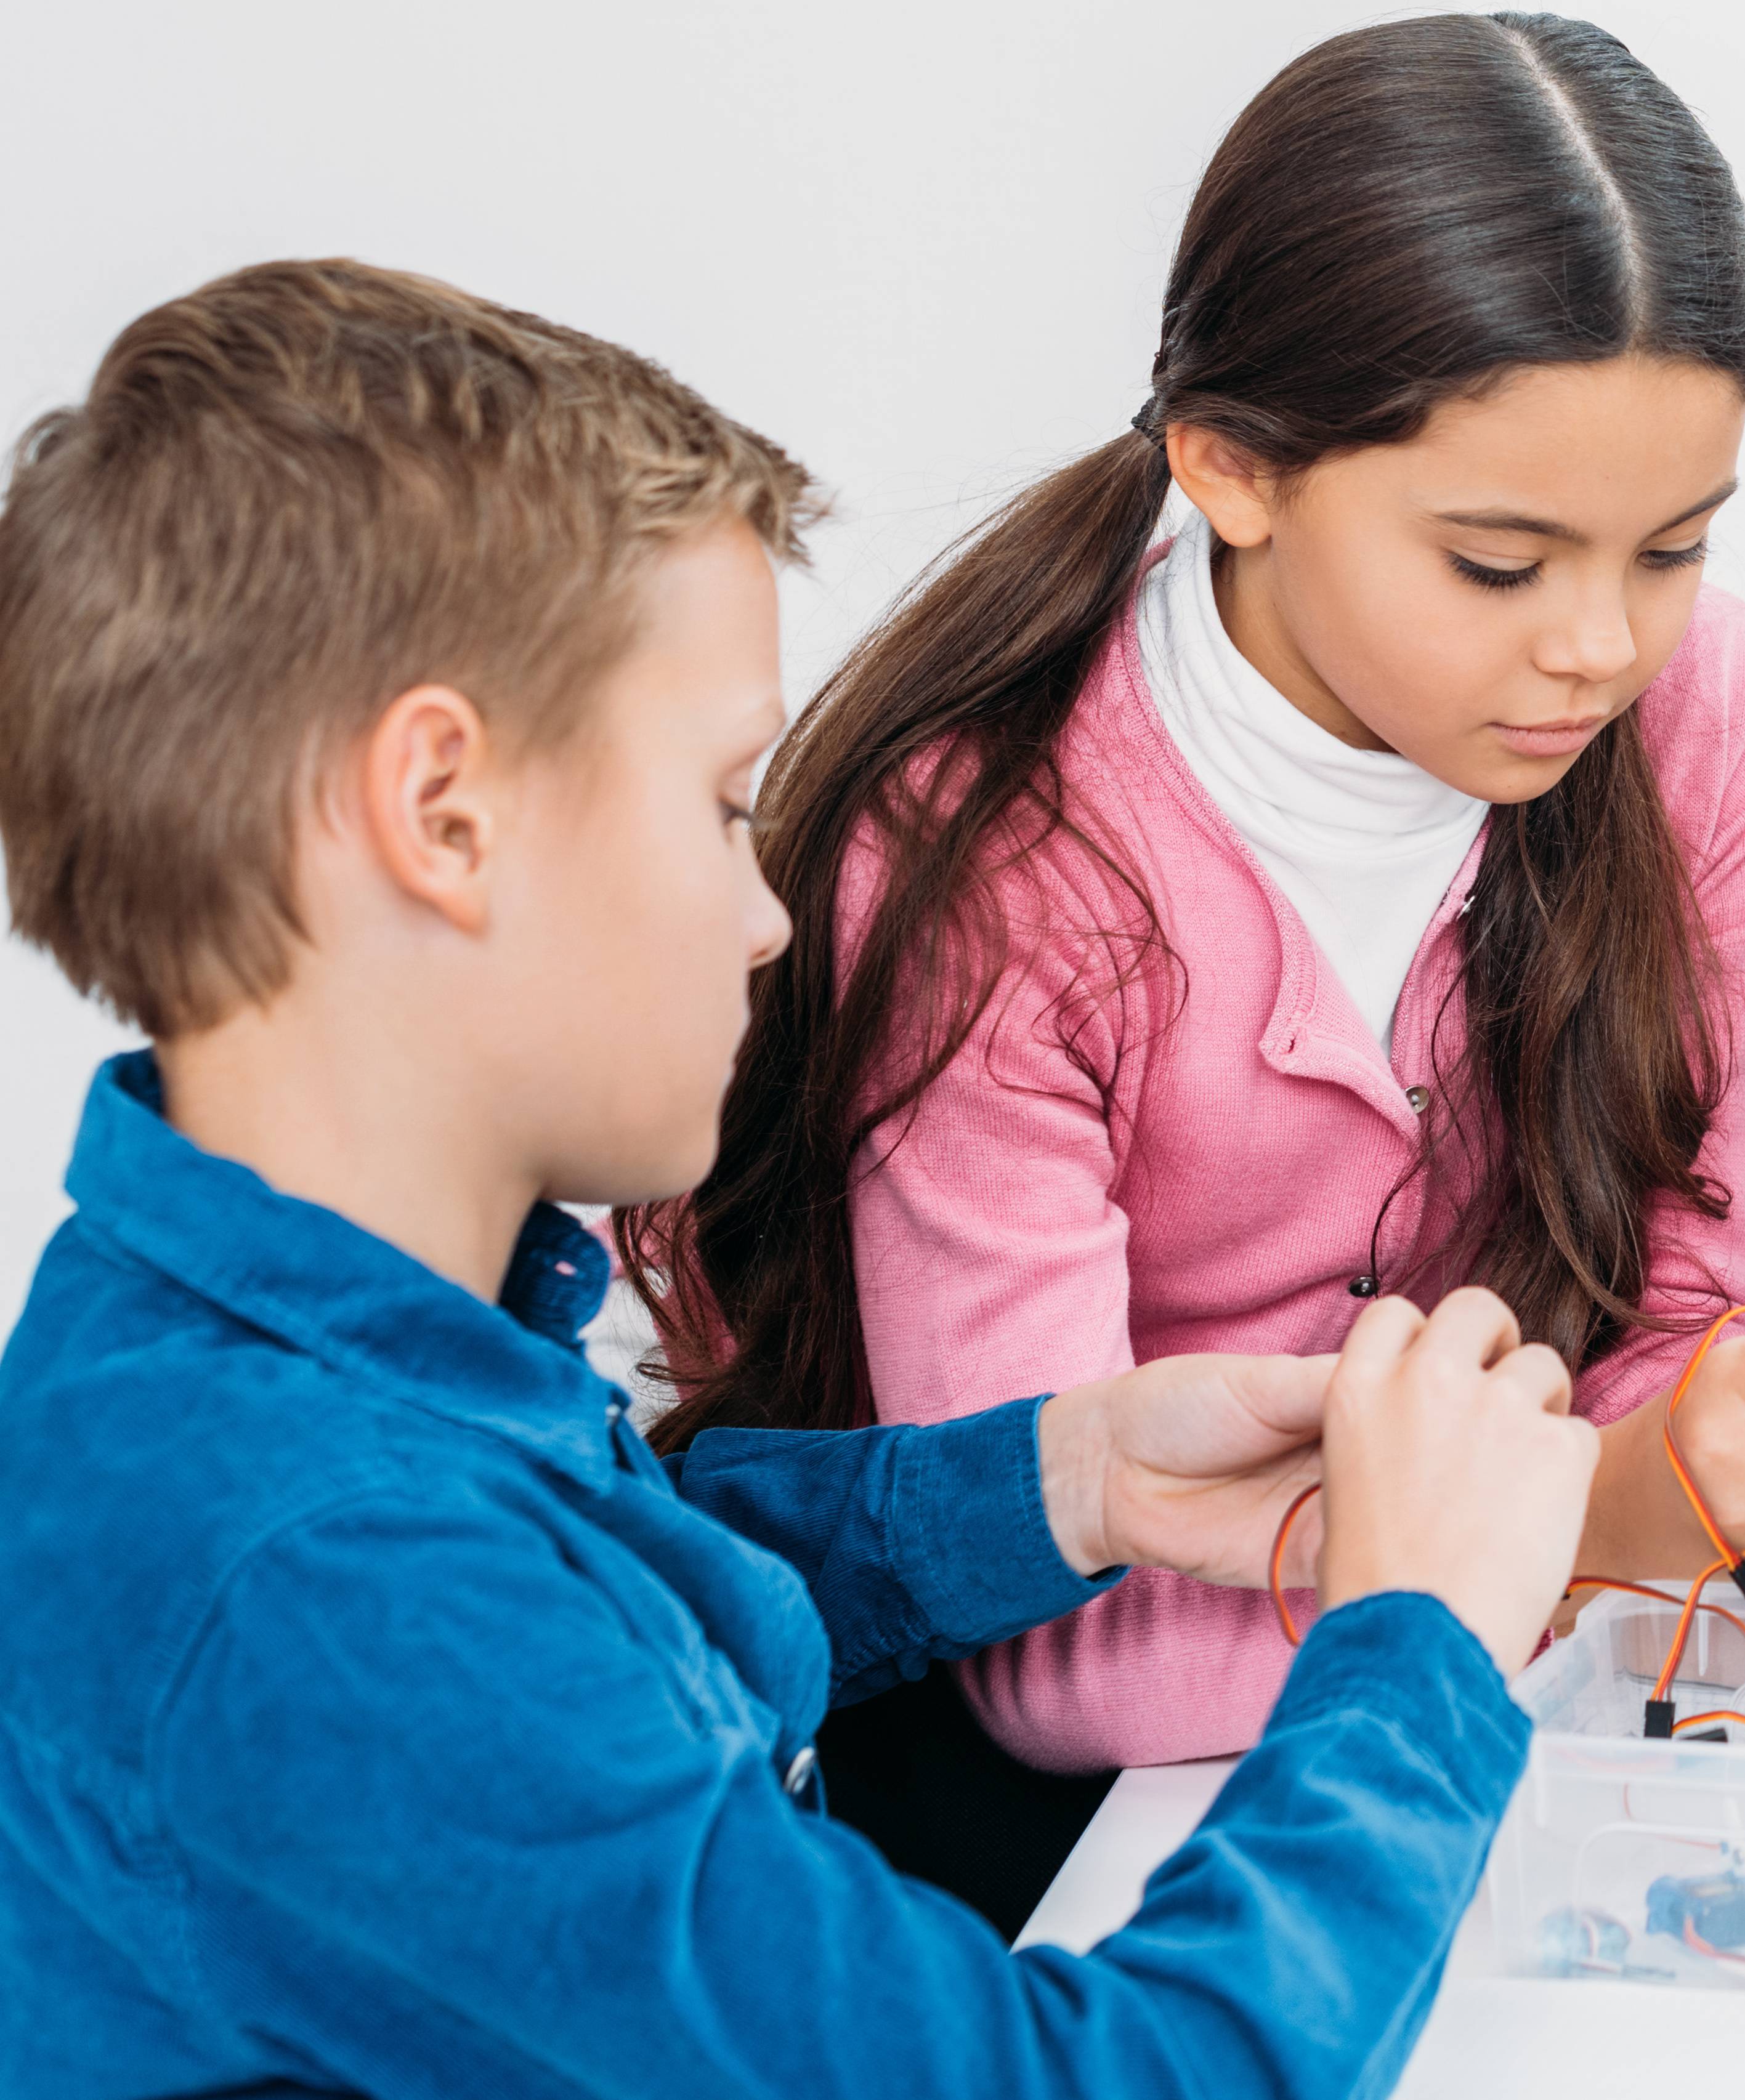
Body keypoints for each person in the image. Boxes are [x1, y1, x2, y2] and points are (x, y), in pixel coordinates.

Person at [0, 260, 1598, 2094]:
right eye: (715, 798)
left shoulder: (247, 1363)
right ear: (442, 810)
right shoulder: (326, 1586)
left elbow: (609, 1627)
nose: (767, 916)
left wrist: (1067, 1479)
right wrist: (1417, 1651)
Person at [633, 12, 1745, 1891]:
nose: (1601, 645)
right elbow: (1037, 1650)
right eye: (1501, 565)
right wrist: (1596, 1521)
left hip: (1473, 1688)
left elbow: (1666, 1302)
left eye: (1671, 548)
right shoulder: (993, 862)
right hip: (1058, 1802)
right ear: (1233, 467)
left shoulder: (1702, 717)